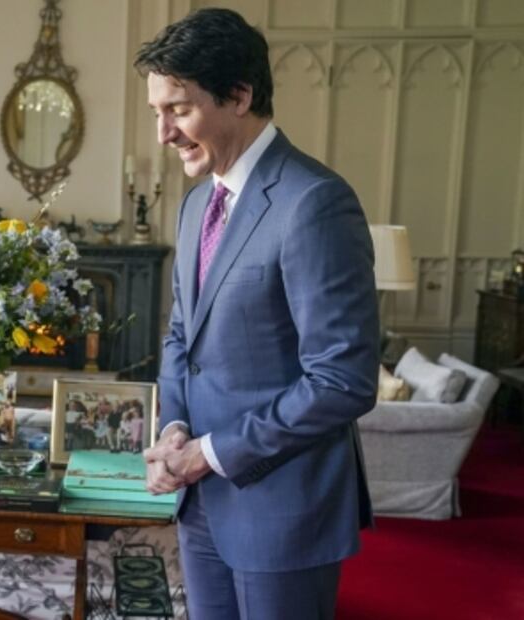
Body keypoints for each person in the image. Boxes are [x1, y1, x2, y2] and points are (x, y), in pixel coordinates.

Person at [136, 9, 378, 619]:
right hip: (200, 505)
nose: (163, 133)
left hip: (284, 512)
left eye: (180, 109)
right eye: (156, 113)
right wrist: (174, 431)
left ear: (239, 95)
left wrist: (208, 453)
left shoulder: (315, 202)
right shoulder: (195, 206)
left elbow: (342, 380)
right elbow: (181, 336)